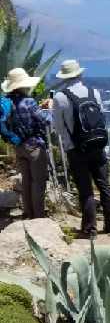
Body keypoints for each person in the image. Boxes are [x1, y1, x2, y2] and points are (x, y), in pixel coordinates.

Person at [49, 59, 110, 238]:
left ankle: (90, 229)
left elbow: (58, 126)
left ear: (64, 77)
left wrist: (68, 145)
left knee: (85, 189)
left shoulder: (59, 97)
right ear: (80, 74)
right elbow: (101, 116)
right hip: (97, 145)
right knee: (104, 185)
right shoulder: (93, 92)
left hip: (77, 148)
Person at [0, 67, 51, 220]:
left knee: (27, 181)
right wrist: (50, 109)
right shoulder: (28, 101)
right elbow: (47, 121)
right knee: (38, 182)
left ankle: (28, 213)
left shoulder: (8, 102)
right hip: (34, 147)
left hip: (18, 146)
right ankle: (38, 217)